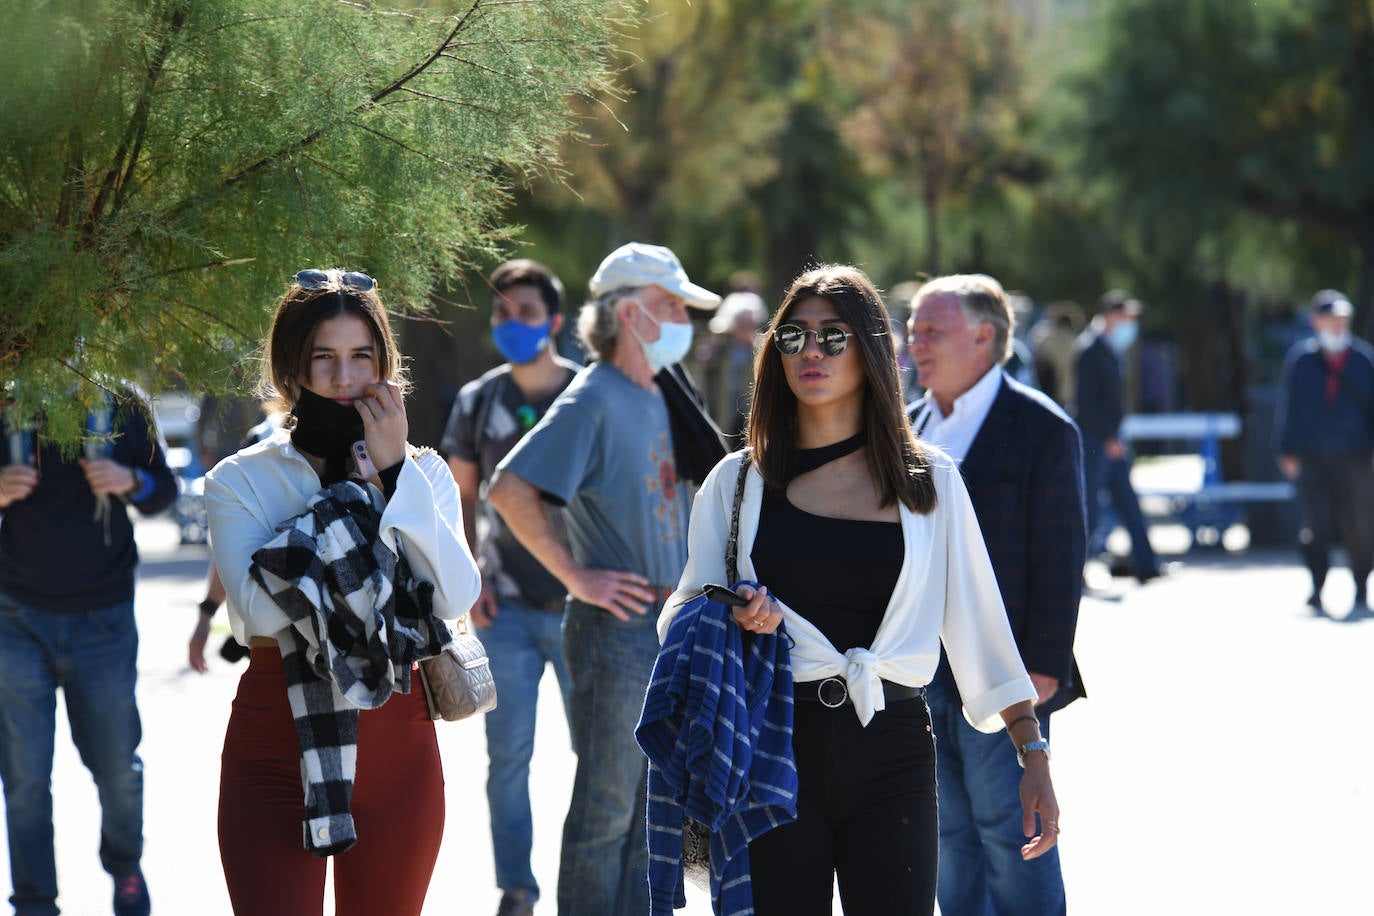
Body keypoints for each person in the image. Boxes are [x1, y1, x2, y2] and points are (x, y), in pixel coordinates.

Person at [660, 264, 1060, 915]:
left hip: (893, 748)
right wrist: (732, 617)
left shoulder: (931, 481)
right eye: (792, 337)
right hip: (771, 745)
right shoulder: (736, 483)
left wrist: (1031, 750)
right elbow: (681, 612)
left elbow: (980, 625)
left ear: (871, 348)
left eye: (832, 336)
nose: (810, 351)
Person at [204, 268, 481, 915]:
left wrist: (394, 475)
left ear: (385, 364)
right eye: (322, 357)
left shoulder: (423, 472)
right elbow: (258, 614)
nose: (343, 377)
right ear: (291, 367)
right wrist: (356, 504)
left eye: (361, 356)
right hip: (274, 750)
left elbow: (453, 596)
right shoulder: (239, 479)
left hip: (399, 749)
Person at [487, 242, 721, 916]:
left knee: (652, 813)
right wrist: (578, 577)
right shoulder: (595, 396)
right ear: (629, 313)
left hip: (665, 629)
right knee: (608, 810)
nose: (681, 317)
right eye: (669, 303)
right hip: (617, 632)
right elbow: (509, 489)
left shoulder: (657, 391)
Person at [906, 274, 1085, 916]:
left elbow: (1062, 555)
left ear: (984, 336)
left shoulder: (1042, 427)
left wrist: (1043, 665)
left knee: (1016, 838)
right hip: (919, 676)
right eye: (913, 329)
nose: (914, 342)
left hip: (1006, 678)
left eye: (933, 330)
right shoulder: (907, 427)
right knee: (947, 842)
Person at [0, 385, 177, 916]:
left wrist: (131, 480)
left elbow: (164, 491)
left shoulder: (123, 401)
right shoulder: (6, 396)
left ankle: (125, 867)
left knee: (118, 766)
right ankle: (34, 902)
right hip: (16, 617)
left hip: (104, 617)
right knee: (25, 776)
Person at [440, 259, 579, 916]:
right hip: (507, 611)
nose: (512, 323)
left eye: (526, 312)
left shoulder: (589, 396)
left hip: (588, 611)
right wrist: (472, 579)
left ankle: (593, 885)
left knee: (601, 757)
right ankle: (516, 890)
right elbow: (459, 498)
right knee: (508, 759)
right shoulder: (478, 401)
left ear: (554, 321)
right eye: (502, 312)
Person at [1275, 289, 1374, 616]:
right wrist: (1285, 449)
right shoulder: (1301, 360)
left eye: (1342, 319)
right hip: (1313, 456)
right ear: (1316, 321)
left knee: (1359, 524)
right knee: (1315, 524)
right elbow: (1289, 407)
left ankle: (1361, 585)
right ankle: (1317, 586)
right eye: (1331, 318)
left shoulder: (1363, 360)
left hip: (1355, 456)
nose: (1337, 325)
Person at [1073, 290, 1163, 582]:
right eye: (1125, 317)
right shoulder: (1090, 349)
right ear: (1110, 316)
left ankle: (1147, 566)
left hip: (1111, 440)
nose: (1130, 323)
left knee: (1129, 505)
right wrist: (1107, 437)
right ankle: (1075, 571)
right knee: (1090, 510)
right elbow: (1086, 404)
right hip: (1096, 441)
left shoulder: (1111, 348)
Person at [695, 290, 769, 442]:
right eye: (743, 324)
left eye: (751, 324)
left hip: (749, 411)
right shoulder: (721, 347)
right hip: (724, 408)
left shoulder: (759, 347)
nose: (747, 328)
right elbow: (702, 366)